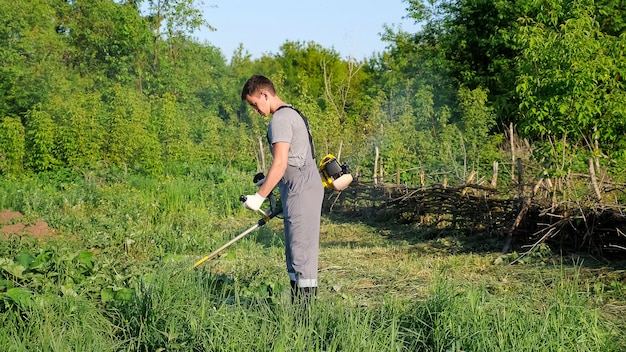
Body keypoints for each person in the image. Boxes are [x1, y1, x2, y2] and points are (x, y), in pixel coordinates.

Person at [240, 75, 324, 303]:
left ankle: (305, 319)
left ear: (264, 95)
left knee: (301, 257)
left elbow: (280, 163)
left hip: (302, 191)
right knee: (294, 255)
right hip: (298, 189)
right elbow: (289, 163)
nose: (255, 111)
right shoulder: (290, 114)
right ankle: (298, 314)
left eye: (255, 105)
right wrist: (267, 184)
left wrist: (259, 197)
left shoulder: (281, 119)